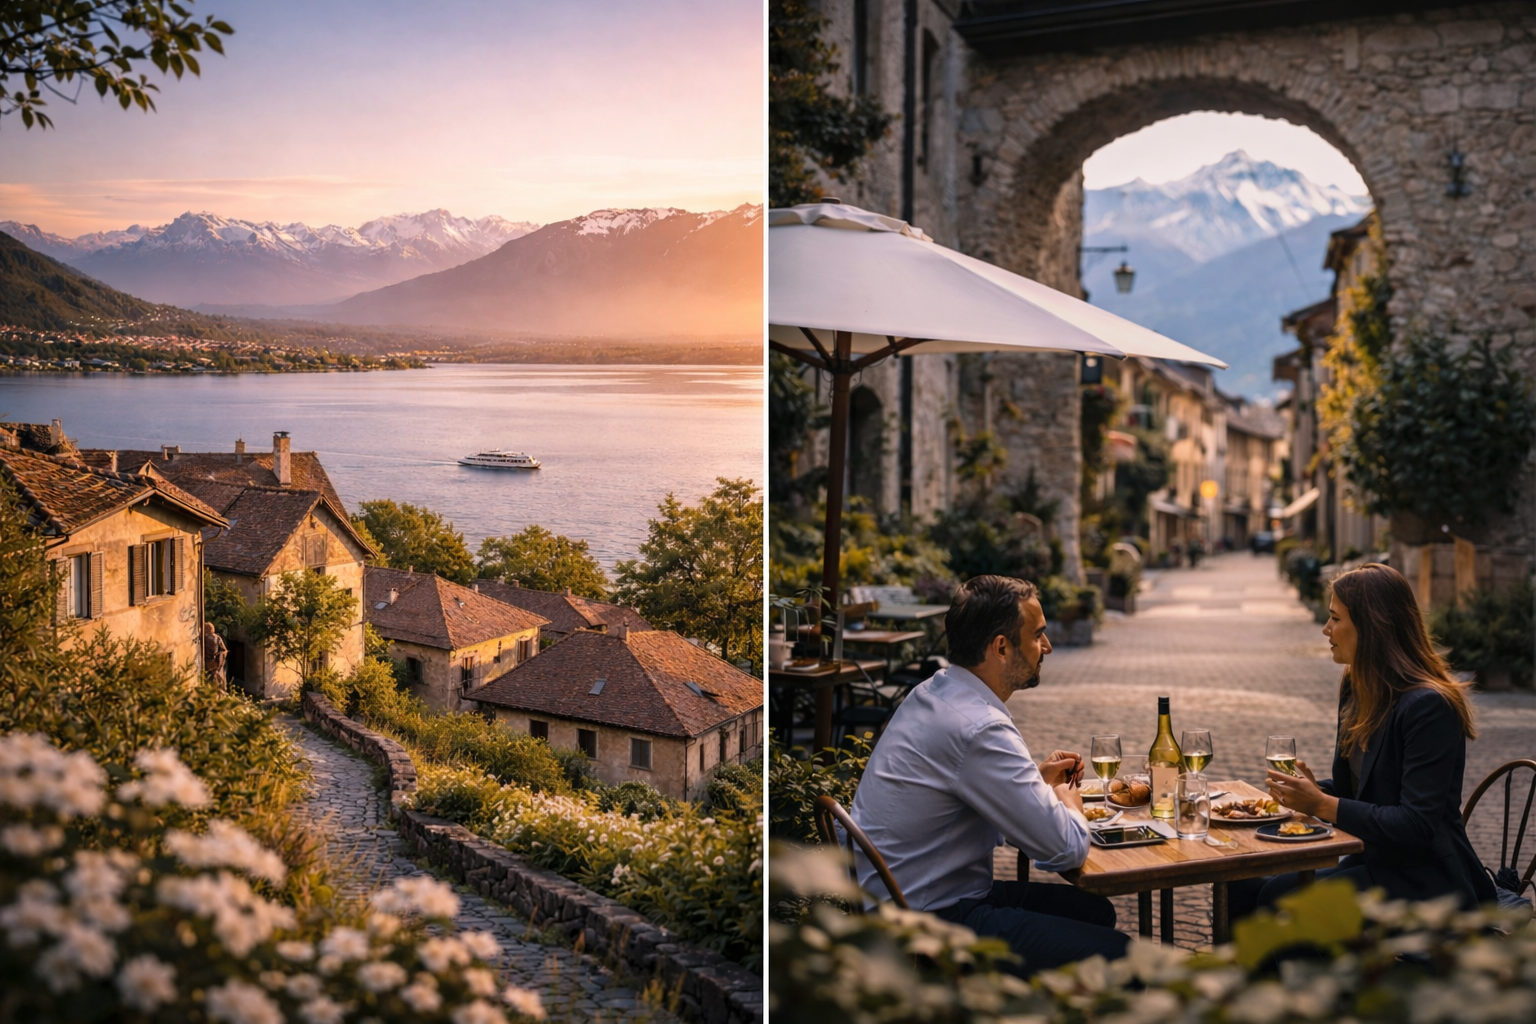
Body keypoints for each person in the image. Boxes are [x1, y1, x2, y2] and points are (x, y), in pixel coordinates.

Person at [848, 574, 1130, 976]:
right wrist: (1070, 804)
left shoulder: (933, 692)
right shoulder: (979, 726)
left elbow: (960, 787)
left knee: (1093, 911)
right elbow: (1066, 849)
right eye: (1038, 636)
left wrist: (1033, 778)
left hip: (898, 901)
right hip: (926, 925)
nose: (1046, 647)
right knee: (1121, 956)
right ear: (1001, 647)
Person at [1232, 563, 1495, 915]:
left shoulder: (1429, 707)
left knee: (1283, 905)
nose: (1326, 630)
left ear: (1372, 627)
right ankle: (1254, 971)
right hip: (1373, 863)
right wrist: (1313, 792)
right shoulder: (1356, 686)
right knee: (1245, 884)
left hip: (1424, 881)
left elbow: (1415, 825)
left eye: (1335, 619)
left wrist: (1322, 805)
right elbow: (1364, 794)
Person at [202, 622, 228, 688]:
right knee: (215, 678)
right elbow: (224, 650)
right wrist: (221, 657)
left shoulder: (203, 637)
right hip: (215, 661)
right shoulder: (217, 638)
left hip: (206, 661)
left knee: (208, 679)